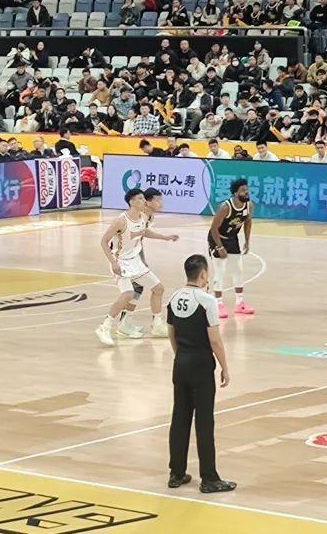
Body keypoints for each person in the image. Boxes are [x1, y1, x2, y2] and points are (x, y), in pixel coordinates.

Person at [166, 254, 236, 494]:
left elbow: (171, 333)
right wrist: (224, 366)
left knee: (180, 417)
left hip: (181, 362)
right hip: (201, 365)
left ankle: (176, 473)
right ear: (204, 274)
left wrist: (180, 357)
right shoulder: (207, 301)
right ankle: (209, 478)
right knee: (204, 421)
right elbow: (215, 340)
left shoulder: (174, 297)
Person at [96, 189, 166, 347]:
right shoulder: (121, 221)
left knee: (158, 288)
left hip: (135, 261)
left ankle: (157, 325)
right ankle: (104, 326)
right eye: (140, 199)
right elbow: (104, 241)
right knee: (128, 294)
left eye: (144, 199)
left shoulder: (143, 217)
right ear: (132, 202)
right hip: (121, 261)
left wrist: (164, 237)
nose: (144, 201)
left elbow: (144, 232)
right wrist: (113, 262)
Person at [115, 187, 180, 340]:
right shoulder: (139, 214)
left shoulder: (149, 215)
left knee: (141, 287)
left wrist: (164, 237)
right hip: (126, 254)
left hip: (134, 251)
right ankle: (126, 322)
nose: (161, 203)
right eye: (157, 200)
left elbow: (143, 233)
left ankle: (127, 321)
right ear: (148, 202)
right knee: (141, 288)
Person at [207, 179, 255, 319]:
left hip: (232, 238)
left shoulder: (249, 205)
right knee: (220, 271)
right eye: (243, 190)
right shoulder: (225, 207)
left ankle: (240, 303)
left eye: (247, 189)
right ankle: (218, 304)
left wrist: (247, 240)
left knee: (238, 270)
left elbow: (248, 221)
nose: (246, 192)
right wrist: (219, 246)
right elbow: (213, 228)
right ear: (235, 193)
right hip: (217, 238)